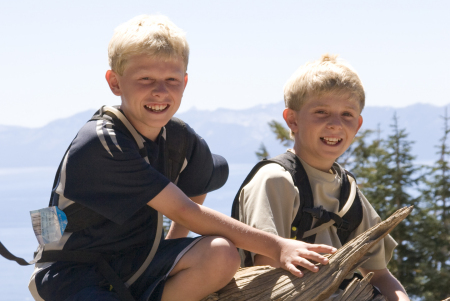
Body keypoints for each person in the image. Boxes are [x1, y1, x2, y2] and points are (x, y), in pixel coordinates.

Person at [27, 15, 336, 301]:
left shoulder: (179, 139)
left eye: (171, 80)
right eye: (145, 79)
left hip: (136, 261)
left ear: (185, 83)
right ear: (115, 82)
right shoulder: (103, 141)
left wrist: (170, 244)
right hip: (71, 272)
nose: (160, 91)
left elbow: (201, 181)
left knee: (221, 254)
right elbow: (187, 211)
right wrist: (278, 246)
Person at [232, 54, 410, 300]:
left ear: (357, 125)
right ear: (292, 120)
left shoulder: (347, 190)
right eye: (321, 112)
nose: (335, 124)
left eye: (347, 115)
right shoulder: (276, 180)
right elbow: (266, 272)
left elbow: (379, 274)